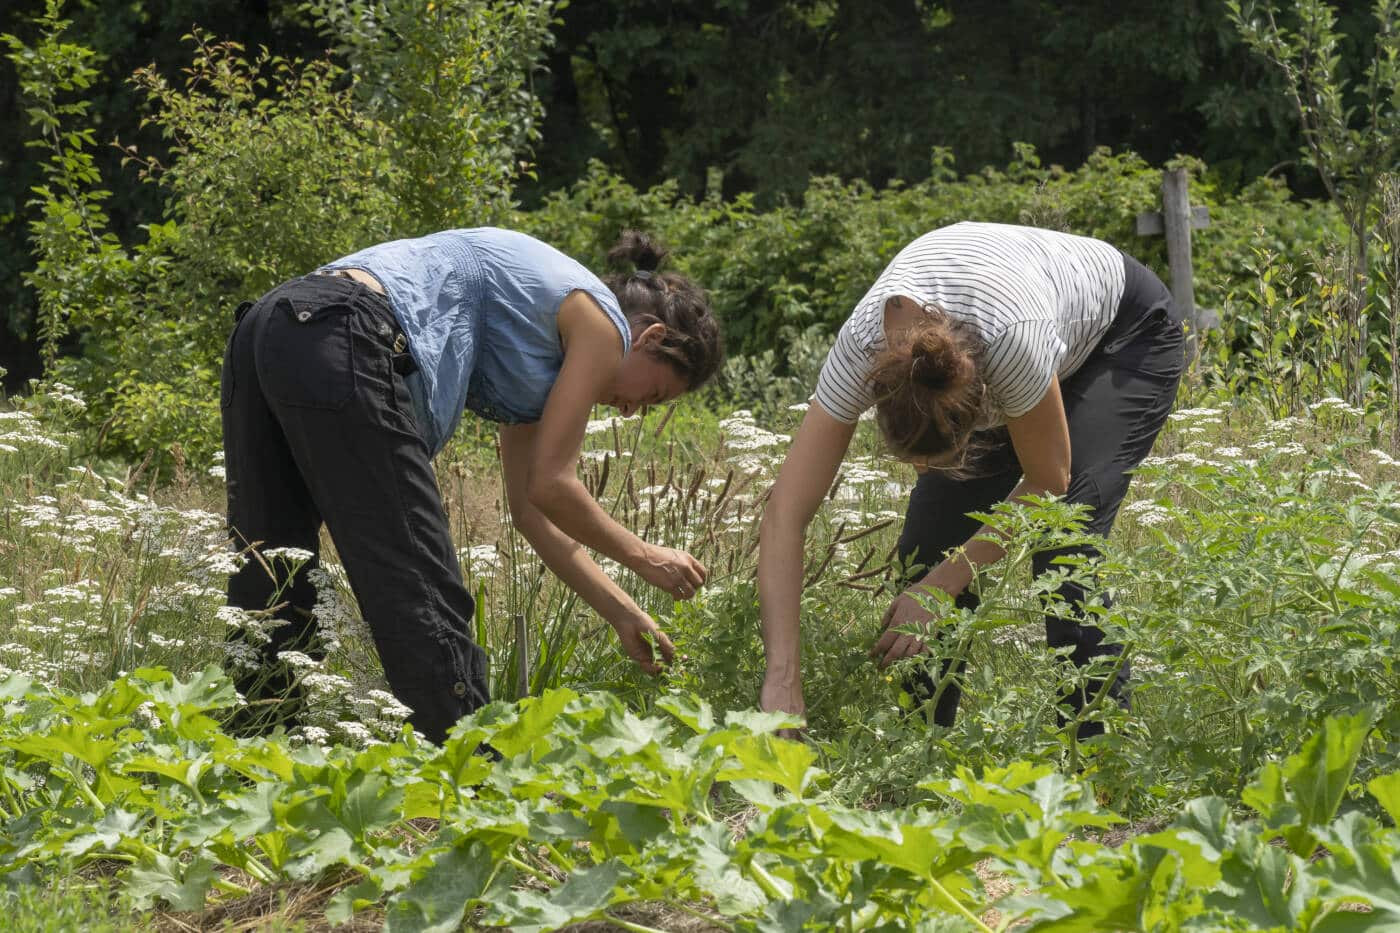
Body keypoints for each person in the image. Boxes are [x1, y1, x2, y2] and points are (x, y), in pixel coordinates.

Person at [220, 228, 722, 742]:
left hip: (270, 325)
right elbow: (554, 486)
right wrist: (646, 555)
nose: (633, 411)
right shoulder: (601, 325)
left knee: (272, 574)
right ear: (652, 337)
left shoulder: (542, 341)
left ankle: (250, 762)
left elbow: (532, 511)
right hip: (344, 328)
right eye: (653, 395)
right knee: (418, 589)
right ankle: (470, 790)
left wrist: (623, 613)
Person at [756, 221, 1183, 738]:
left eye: (941, 459)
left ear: (980, 412)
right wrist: (782, 680)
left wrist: (940, 590)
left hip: (1122, 336)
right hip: (1004, 327)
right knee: (929, 546)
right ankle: (918, 752)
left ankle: (1097, 768)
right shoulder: (861, 351)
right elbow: (785, 511)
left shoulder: (1011, 342)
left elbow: (1049, 481)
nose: (922, 474)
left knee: (1065, 541)